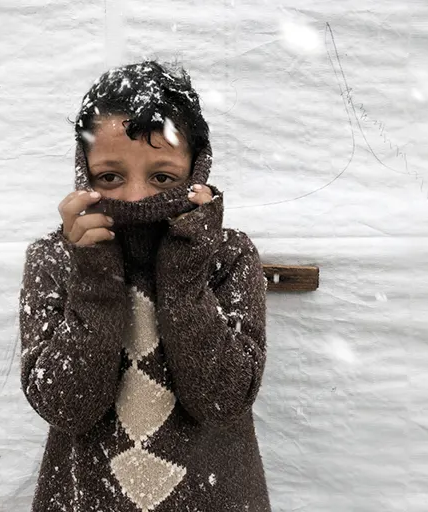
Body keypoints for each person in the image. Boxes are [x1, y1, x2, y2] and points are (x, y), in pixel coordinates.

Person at [18, 60, 271, 511]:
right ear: (83, 171)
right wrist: (96, 280)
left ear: (197, 172)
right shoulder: (56, 258)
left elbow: (222, 399)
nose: (136, 198)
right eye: (110, 177)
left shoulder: (227, 255)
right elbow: (66, 407)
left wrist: (186, 276)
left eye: (162, 177)